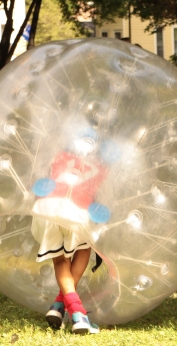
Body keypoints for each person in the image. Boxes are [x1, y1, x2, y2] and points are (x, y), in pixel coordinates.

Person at [30, 124, 116, 334]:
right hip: (77, 212)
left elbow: (42, 179)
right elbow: (105, 199)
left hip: (47, 209)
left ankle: (59, 306)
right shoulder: (102, 168)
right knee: (84, 248)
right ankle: (78, 314)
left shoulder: (58, 157)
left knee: (60, 260)